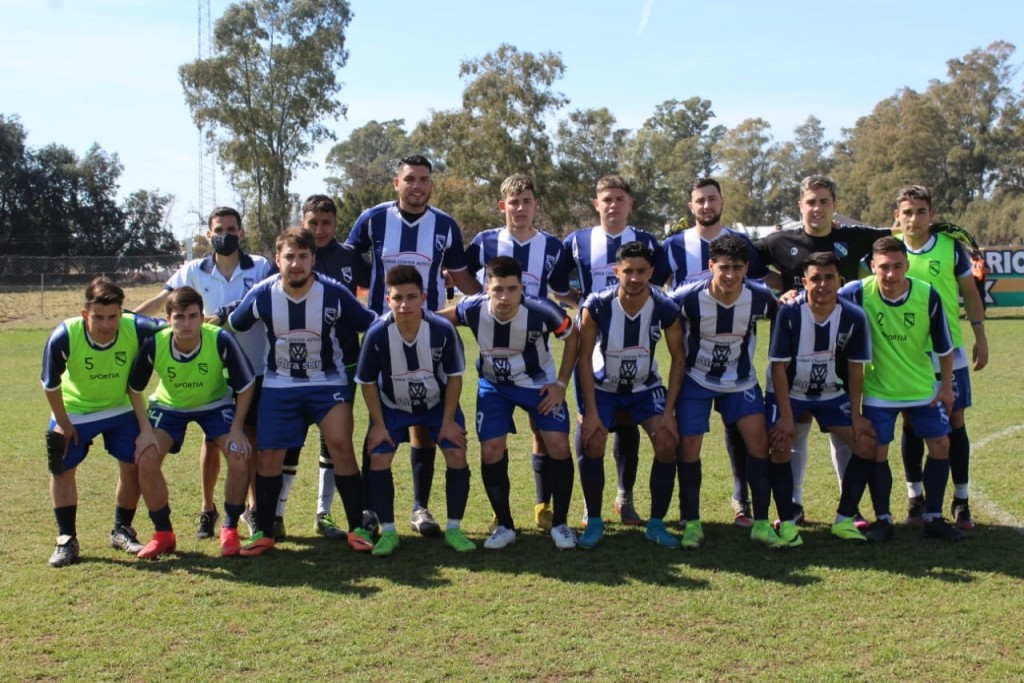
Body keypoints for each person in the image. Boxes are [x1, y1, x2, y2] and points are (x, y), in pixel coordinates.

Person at [347, 154, 482, 538]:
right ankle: (370, 510)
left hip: (431, 333)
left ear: (431, 184)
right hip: (381, 333)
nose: (417, 186)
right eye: (410, 179)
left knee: (424, 421)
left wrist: (491, 302)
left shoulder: (445, 225)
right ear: (397, 183)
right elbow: (349, 264)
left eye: (424, 179)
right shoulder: (372, 219)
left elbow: (461, 277)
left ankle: (420, 507)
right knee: (378, 420)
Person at [228, 227, 378, 556]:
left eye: (303, 256)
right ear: (277, 259)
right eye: (289, 257)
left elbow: (370, 321)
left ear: (313, 259)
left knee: (340, 445)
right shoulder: (263, 293)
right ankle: (264, 531)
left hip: (327, 383)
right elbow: (238, 322)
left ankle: (357, 527)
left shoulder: (334, 292)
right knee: (270, 455)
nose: (296, 264)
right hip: (280, 384)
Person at [754, 175, 888, 525]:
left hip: (838, 351)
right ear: (800, 206)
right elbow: (746, 261)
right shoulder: (781, 241)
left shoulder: (854, 237)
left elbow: (896, 236)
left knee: (846, 437)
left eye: (824, 201)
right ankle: (794, 504)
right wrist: (780, 288)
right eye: (810, 202)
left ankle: (849, 507)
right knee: (793, 432)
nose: (817, 208)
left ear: (835, 206)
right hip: (794, 351)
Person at [134, 206, 273, 540]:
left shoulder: (261, 266)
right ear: (209, 234)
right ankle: (207, 509)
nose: (225, 235)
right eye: (218, 230)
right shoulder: (194, 269)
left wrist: (224, 315)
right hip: (209, 367)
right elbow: (163, 299)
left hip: (254, 365)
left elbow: (265, 299)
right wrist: (126, 319)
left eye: (231, 229)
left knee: (249, 438)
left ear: (242, 233)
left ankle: (252, 509)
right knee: (211, 442)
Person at [440, 256, 579, 550]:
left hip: (538, 385)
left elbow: (572, 337)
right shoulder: (472, 307)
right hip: (495, 387)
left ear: (522, 288)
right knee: (491, 450)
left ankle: (560, 524)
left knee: (558, 445)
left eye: (512, 289)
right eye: (498, 289)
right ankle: (504, 525)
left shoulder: (542, 309)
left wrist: (561, 384)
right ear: (486, 288)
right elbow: (437, 319)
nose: (504, 297)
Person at [670, 235, 799, 549]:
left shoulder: (760, 298)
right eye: (724, 267)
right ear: (711, 265)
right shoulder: (686, 298)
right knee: (689, 447)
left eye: (737, 268)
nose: (730, 274)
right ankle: (692, 523)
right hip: (696, 380)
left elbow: (784, 313)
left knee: (759, 444)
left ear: (747, 268)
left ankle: (761, 524)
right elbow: (656, 313)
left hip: (740, 381)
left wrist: (788, 298)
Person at [661, 177, 773, 528]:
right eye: (700, 200)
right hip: (694, 367)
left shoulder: (743, 246)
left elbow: (767, 291)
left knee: (749, 437)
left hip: (739, 369)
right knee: (687, 444)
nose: (707, 205)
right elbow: (655, 294)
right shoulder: (673, 246)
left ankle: (745, 505)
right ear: (691, 205)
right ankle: (689, 517)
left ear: (722, 202)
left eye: (712, 199)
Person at [465, 174, 573, 532]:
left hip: (535, 354)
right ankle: (503, 514)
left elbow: (562, 291)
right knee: (493, 443)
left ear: (536, 205)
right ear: (503, 206)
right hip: (495, 356)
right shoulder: (484, 242)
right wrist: (479, 306)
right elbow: (462, 278)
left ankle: (543, 504)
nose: (521, 208)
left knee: (543, 433)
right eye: (514, 202)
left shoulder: (553, 246)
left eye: (527, 201)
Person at [838, 237, 964, 542]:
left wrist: (946, 387)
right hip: (879, 391)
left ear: (907, 265)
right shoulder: (857, 292)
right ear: (872, 266)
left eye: (897, 266)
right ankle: (883, 520)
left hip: (922, 388)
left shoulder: (927, 294)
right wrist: (792, 295)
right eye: (884, 267)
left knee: (941, 446)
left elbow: (945, 347)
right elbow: (822, 297)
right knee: (877, 452)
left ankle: (933, 517)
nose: (891, 274)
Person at [563, 175, 669, 526]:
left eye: (620, 199)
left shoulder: (646, 241)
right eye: (606, 199)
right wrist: (582, 306)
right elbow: (558, 282)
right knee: (589, 425)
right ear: (596, 204)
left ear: (630, 204)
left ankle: (625, 498)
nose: (613, 205)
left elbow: (659, 284)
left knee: (628, 423)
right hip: (592, 347)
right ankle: (589, 505)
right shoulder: (577, 241)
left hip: (635, 345)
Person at [41, 277, 165, 567]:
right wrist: (63, 423)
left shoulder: (136, 327)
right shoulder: (65, 335)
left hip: (121, 409)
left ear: (122, 312)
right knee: (61, 469)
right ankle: (66, 539)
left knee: (134, 465)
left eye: (113, 317)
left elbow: (178, 327)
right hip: (74, 410)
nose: (107, 325)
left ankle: (122, 530)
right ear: (85, 314)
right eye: (98, 317)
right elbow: (50, 384)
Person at [356, 266, 475, 556]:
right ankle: (389, 532)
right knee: (378, 457)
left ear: (423, 298)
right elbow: (367, 382)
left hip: (436, 405)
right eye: (397, 298)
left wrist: (449, 422)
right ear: (388, 300)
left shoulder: (442, 329)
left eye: (411, 297)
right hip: (393, 405)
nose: (404, 304)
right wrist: (378, 425)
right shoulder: (376, 334)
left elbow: (455, 377)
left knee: (456, 452)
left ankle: (454, 529)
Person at [273, 194, 372, 542]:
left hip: (343, 362)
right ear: (303, 222)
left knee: (334, 441)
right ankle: (276, 514)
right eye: (313, 222)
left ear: (335, 224)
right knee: (292, 440)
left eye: (326, 222)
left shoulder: (350, 257)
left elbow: (377, 288)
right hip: (296, 367)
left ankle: (323, 514)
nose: (319, 229)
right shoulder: (290, 258)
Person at [128, 287, 255, 558]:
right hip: (169, 406)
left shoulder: (219, 339)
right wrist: (145, 431)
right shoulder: (155, 343)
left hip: (215, 404)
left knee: (238, 454)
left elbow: (246, 386)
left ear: (201, 317)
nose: (186, 324)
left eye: (193, 316)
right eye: (179, 317)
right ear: (168, 318)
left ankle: (230, 529)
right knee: (146, 458)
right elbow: (134, 388)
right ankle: (163, 534)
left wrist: (237, 429)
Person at [889, 185, 988, 530]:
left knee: (956, 421)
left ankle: (961, 500)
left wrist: (980, 336)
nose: (914, 218)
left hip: (949, 352)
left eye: (920, 211)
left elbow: (970, 293)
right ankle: (915, 498)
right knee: (911, 423)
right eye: (907, 212)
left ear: (931, 214)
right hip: (906, 355)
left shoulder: (950, 248)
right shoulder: (889, 250)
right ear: (897, 217)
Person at [575, 242, 685, 549]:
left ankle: (656, 524)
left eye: (641, 271)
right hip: (604, 388)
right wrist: (588, 410)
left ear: (651, 272)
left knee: (667, 442)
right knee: (592, 439)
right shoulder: (597, 304)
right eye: (628, 271)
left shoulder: (664, 306)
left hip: (644, 388)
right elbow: (583, 359)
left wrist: (669, 412)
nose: (635, 278)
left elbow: (679, 358)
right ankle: (594, 521)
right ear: (616, 271)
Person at [765, 252, 877, 542]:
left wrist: (856, 415)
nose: (823, 284)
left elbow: (855, 369)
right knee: (780, 445)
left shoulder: (854, 315)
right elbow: (778, 368)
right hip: (790, 392)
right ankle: (787, 522)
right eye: (816, 278)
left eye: (830, 278)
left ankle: (844, 519)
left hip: (831, 394)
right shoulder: (789, 312)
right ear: (804, 282)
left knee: (866, 443)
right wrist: (786, 417)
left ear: (840, 281)